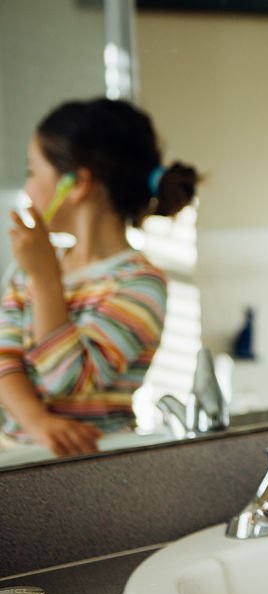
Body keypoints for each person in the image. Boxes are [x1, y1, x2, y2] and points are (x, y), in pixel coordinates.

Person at [0, 98, 198, 457]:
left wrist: (45, 280)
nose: (27, 188)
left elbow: (67, 380)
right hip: (18, 456)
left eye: (32, 171)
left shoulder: (140, 283)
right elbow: (3, 358)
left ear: (76, 184)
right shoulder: (27, 267)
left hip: (93, 466)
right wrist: (37, 424)